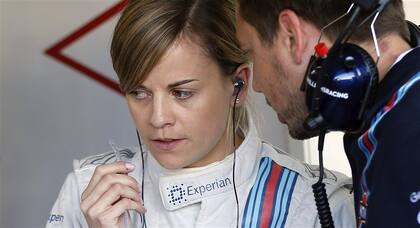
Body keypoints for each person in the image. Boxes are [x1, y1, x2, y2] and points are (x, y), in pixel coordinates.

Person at [46, 0, 355, 227]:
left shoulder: (318, 202)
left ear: (240, 84)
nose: (157, 119)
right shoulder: (88, 193)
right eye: (138, 93)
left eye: (182, 93)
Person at [235, 0, 420, 227]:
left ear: (291, 36)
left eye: (251, 53)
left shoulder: (407, 139)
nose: (257, 85)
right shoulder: (394, 118)